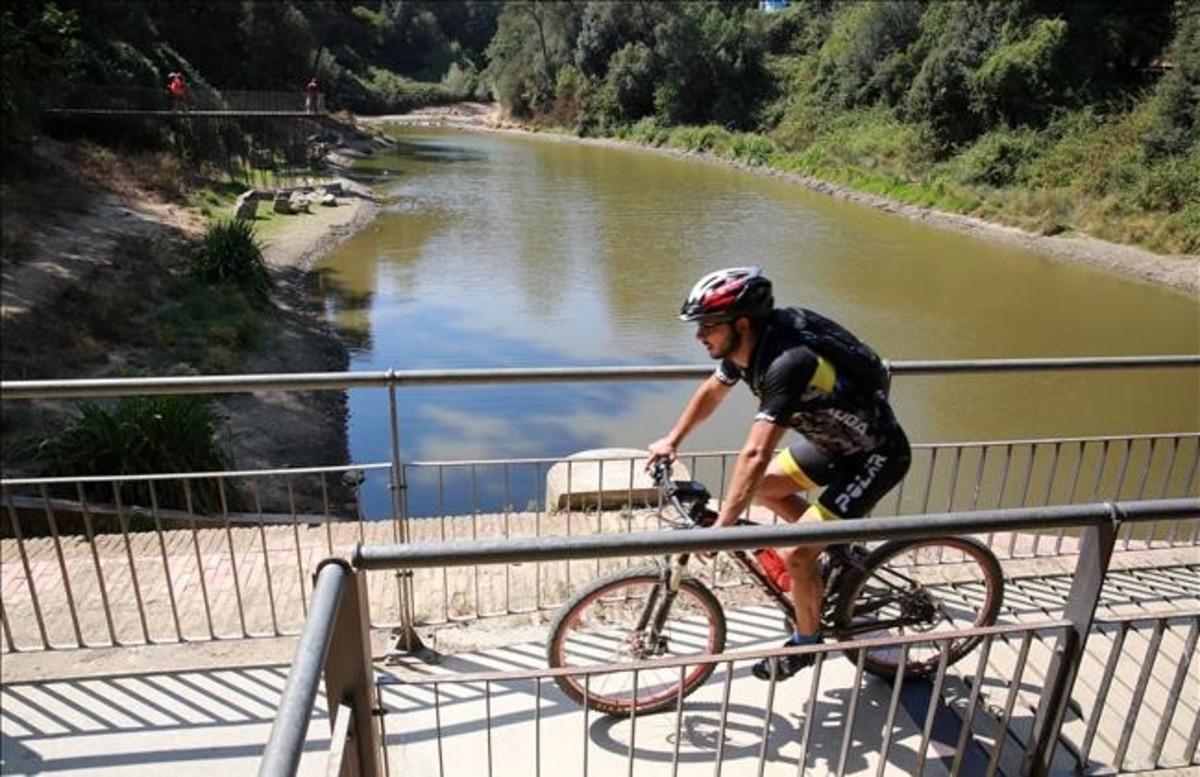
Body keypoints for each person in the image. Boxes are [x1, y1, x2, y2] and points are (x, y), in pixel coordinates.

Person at [646, 266, 911, 681]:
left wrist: (723, 529)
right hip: (831, 446)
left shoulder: (787, 363)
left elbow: (755, 451)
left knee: (797, 554)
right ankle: (838, 550)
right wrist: (671, 440)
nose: (700, 336)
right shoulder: (747, 350)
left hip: (874, 454)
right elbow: (712, 392)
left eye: (708, 326)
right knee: (765, 489)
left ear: (741, 323)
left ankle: (807, 644)